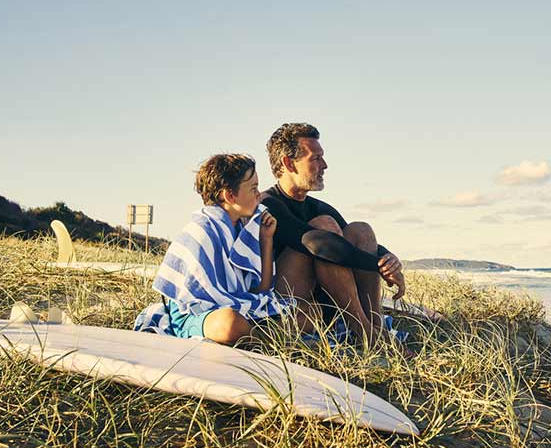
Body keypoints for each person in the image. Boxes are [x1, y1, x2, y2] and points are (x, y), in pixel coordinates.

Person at [260, 123, 407, 350]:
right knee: (324, 230)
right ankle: (363, 330)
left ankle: (376, 325)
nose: (324, 165)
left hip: (323, 302)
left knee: (361, 230)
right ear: (288, 163)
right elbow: (320, 245)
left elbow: (358, 246)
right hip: (288, 306)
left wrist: (389, 260)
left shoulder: (319, 207)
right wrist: (377, 265)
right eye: (315, 159)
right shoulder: (267, 203)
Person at [133, 153, 292, 344]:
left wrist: (266, 240)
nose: (259, 195)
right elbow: (196, 304)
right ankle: (269, 339)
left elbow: (262, 290)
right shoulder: (199, 232)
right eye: (253, 188)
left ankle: (260, 337)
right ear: (229, 195)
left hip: (241, 310)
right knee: (229, 324)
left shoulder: (244, 231)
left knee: (308, 313)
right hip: (196, 317)